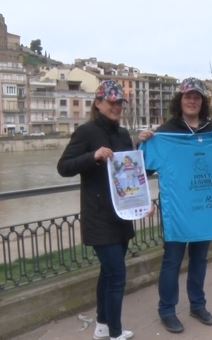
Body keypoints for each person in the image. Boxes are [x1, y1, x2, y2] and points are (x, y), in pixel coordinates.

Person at [138, 77, 212, 334]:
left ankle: (197, 305)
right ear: (180, 100)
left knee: (200, 258)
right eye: (188, 96)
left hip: (204, 207)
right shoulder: (165, 132)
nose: (192, 101)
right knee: (172, 260)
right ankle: (167, 310)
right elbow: (145, 168)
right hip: (176, 209)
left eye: (197, 97)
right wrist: (142, 143)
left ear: (202, 101)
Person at [57, 80, 134, 340]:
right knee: (117, 276)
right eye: (111, 102)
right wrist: (93, 156)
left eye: (119, 102)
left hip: (122, 215)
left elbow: (131, 175)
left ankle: (102, 325)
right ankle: (115, 332)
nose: (116, 106)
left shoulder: (123, 135)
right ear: (98, 103)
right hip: (99, 216)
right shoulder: (86, 132)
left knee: (108, 272)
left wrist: (141, 204)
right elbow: (64, 166)